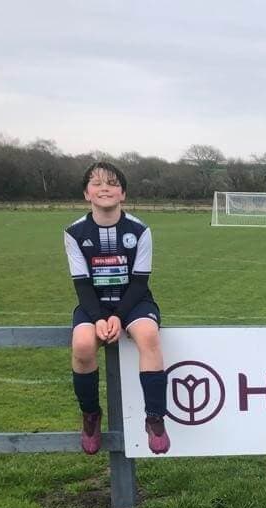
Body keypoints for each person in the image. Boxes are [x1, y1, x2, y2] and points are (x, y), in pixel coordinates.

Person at [63, 161, 170, 455]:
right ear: (87, 193)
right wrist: (98, 318)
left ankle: (155, 417)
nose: (104, 188)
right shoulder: (74, 233)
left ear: (122, 193)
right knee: (83, 345)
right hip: (93, 305)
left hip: (134, 302)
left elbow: (139, 282)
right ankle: (91, 415)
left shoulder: (140, 230)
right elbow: (82, 284)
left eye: (111, 183)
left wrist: (118, 317)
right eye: (96, 183)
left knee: (148, 336)